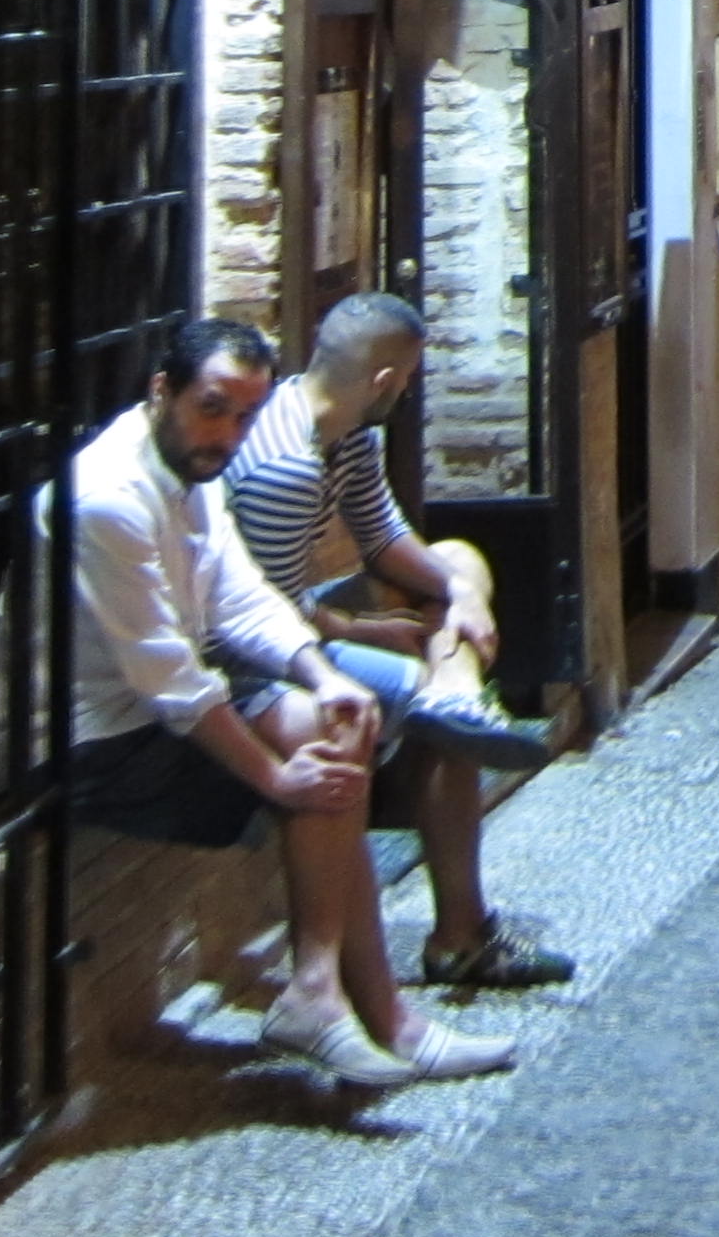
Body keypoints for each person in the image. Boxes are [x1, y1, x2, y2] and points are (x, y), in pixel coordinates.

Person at [61, 316, 512, 1088]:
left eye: (243, 416)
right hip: (97, 745)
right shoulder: (112, 498)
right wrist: (274, 778)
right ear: (161, 391)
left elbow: (243, 599)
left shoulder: (188, 473)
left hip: (160, 710)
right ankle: (350, 1006)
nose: (227, 434)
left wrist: (324, 673)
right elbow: (175, 681)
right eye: (213, 409)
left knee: (334, 724)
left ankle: (350, 1006)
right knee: (319, 755)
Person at [221, 293, 572, 996]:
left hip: (298, 619)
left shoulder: (344, 430)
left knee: (459, 557)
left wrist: (461, 593)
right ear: (384, 381)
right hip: (251, 660)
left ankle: (457, 692)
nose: (408, 392)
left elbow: (384, 539)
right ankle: (462, 936)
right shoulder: (284, 466)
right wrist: (357, 630)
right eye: (407, 380)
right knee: (431, 712)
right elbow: (258, 612)